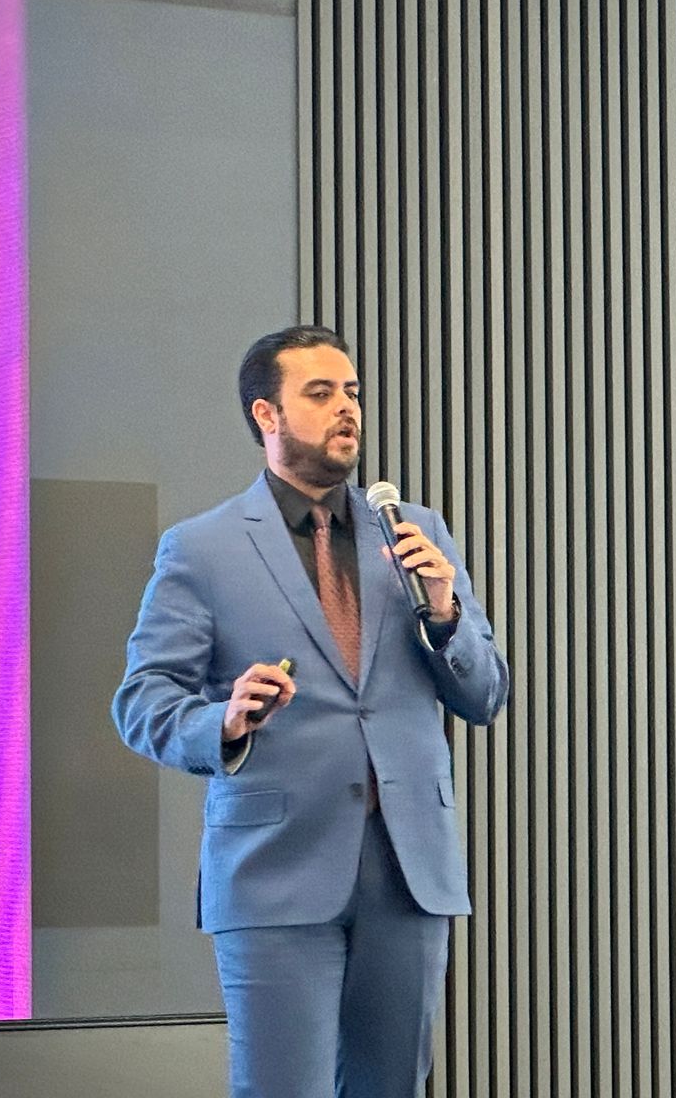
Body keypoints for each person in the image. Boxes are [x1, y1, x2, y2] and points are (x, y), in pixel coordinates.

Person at [111, 325, 510, 1098]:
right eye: (320, 393)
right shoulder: (203, 548)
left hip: (409, 874)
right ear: (266, 414)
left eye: (351, 392)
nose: (346, 409)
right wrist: (225, 721)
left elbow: (485, 693)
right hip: (275, 872)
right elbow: (143, 700)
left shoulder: (417, 534)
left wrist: (446, 615)